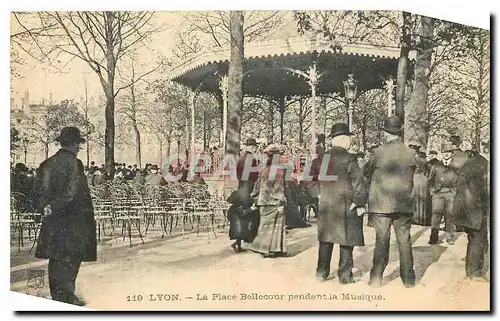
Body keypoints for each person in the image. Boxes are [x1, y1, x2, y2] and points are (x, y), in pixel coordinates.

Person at [32, 127, 96, 306]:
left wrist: (45, 207)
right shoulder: (75, 164)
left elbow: (39, 191)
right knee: (71, 258)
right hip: (73, 219)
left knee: (55, 257)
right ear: (75, 144)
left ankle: (57, 297)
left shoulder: (47, 163)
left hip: (52, 218)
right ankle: (67, 298)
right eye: (78, 145)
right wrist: (54, 205)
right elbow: (71, 193)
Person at [311, 123, 368, 284]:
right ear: (343, 140)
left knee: (326, 239)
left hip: (326, 205)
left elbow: (309, 179)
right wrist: (359, 203)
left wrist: (318, 195)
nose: (350, 141)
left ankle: (321, 273)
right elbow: (359, 182)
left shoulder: (322, 158)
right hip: (346, 204)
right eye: (348, 138)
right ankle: (344, 276)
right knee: (347, 240)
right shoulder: (350, 158)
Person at [364, 116, 417, 288]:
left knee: (382, 240)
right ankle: (409, 280)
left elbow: (367, 171)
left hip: (381, 204)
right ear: (400, 131)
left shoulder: (378, 152)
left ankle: (376, 278)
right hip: (404, 204)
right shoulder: (410, 153)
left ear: (386, 132)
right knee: (404, 241)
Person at [454, 149, 489, 281]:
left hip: (465, 208)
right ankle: (475, 273)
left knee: (474, 238)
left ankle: (471, 271)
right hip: (475, 208)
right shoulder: (483, 164)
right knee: (478, 239)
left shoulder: (473, 162)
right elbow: (482, 189)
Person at [250, 144, 289, 258]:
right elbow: (279, 187)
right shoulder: (280, 170)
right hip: (275, 202)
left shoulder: (263, 170)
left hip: (263, 201)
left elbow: (257, 186)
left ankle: (266, 248)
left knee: (265, 226)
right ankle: (274, 248)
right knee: (277, 226)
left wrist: (254, 197)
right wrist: (281, 201)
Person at [232, 138, 260, 252]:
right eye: (255, 147)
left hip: (241, 188)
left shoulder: (241, 158)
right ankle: (248, 239)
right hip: (248, 188)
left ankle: (239, 241)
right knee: (250, 214)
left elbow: (238, 174)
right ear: (253, 147)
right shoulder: (252, 159)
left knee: (241, 214)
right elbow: (254, 176)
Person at [428, 143, 459, 245]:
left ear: (452, 153)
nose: (446, 154)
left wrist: (455, 193)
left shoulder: (456, 166)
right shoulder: (436, 165)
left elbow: (460, 181)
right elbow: (430, 180)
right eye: (444, 152)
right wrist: (432, 191)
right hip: (438, 194)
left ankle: (449, 236)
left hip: (450, 194)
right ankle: (434, 237)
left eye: (448, 152)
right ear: (441, 153)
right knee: (436, 215)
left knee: (449, 215)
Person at [412, 150, 431, 226]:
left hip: (415, 179)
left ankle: (416, 218)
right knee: (424, 199)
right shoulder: (425, 162)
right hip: (423, 180)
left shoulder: (414, 160)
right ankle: (423, 219)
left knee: (416, 198)